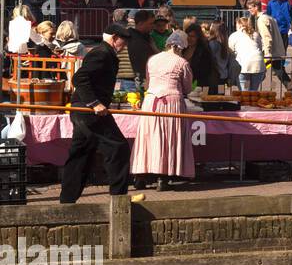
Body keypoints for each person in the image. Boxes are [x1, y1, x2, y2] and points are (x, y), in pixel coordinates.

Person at [59, 25, 134, 204]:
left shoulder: (105, 53)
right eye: (123, 42)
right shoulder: (102, 53)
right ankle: (119, 200)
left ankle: (67, 201)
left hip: (82, 110)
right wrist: (95, 104)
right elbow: (79, 78)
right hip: (89, 111)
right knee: (118, 148)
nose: (124, 46)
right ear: (115, 38)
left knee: (81, 154)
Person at [130, 30, 195, 189]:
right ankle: (162, 178)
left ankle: (140, 176)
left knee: (148, 137)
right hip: (172, 102)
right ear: (181, 47)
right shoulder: (182, 63)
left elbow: (148, 83)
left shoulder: (152, 60)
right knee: (169, 138)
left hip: (151, 101)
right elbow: (187, 87)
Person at [248, 0, 292, 93]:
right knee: (281, 73)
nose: (249, 10)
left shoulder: (261, 20)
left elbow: (267, 37)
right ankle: (291, 90)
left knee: (258, 71)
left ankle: (250, 91)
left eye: (250, 8)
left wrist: (268, 53)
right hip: (275, 50)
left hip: (270, 52)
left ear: (256, 7)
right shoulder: (269, 17)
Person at [229, 16, 264, 90]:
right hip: (258, 63)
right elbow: (260, 47)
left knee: (244, 93)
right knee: (254, 92)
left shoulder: (234, 35)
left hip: (243, 64)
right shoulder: (255, 34)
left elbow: (230, 51)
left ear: (238, 25)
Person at [182, 20, 218, 93]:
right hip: (184, 85)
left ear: (198, 37)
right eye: (188, 35)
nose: (189, 38)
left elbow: (206, 71)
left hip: (199, 87)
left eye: (192, 36)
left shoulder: (204, 51)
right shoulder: (183, 49)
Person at [125, 8, 156, 83]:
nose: (153, 26)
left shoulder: (148, 37)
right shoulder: (128, 35)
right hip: (131, 79)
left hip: (143, 78)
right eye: (150, 23)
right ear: (140, 23)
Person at [208, 21, 239, 89]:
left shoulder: (213, 44)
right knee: (220, 97)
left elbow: (210, 60)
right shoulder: (225, 46)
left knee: (212, 98)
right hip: (223, 77)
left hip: (214, 78)